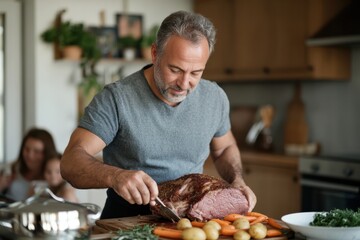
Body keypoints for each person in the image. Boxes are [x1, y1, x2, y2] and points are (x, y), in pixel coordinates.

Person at [61, 10, 257, 219]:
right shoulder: (116, 99)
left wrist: (237, 180)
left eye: (195, 73)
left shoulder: (214, 97)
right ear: (155, 54)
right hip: (127, 221)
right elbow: (71, 162)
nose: (184, 83)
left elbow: (224, 148)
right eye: (175, 69)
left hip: (192, 222)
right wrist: (115, 176)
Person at [0, 128, 58, 201]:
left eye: (37, 151)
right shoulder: (12, 168)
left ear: (47, 153)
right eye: (27, 149)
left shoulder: (56, 176)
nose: (30, 156)